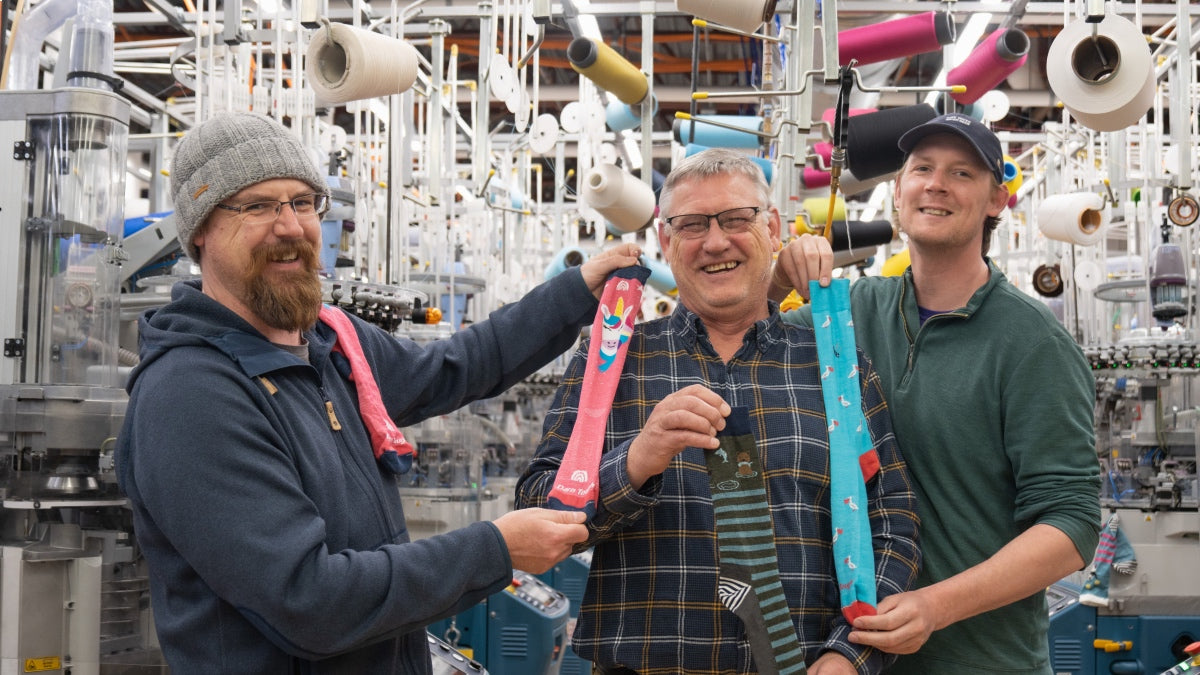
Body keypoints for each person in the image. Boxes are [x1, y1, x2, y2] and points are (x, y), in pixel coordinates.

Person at [114, 111, 643, 673]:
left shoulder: (329, 342)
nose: (290, 225)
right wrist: (496, 549)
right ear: (200, 230)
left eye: (301, 202)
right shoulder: (192, 395)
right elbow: (310, 601)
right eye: (258, 206)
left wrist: (575, 292)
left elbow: (455, 366)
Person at [515, 148, 921, 675]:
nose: (714, 242)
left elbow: (893, 520)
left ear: (772, 228)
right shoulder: (612, 362)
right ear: (665, 241)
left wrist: (851, 655)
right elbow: (534, 509)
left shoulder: (838, 369)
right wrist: (636, 462)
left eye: (735, 219)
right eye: (690, 225)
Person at [771, 113, 1101, 674]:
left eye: (961, 173)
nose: (936, 183)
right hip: (846, 659)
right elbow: (736, 353)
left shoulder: (1031, 343)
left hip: (982, 663)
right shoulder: (848, 313)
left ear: (998, 199)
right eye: (921, 168)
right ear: (898, 191)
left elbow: (1070, 527)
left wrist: (934, 606)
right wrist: (775, 280)